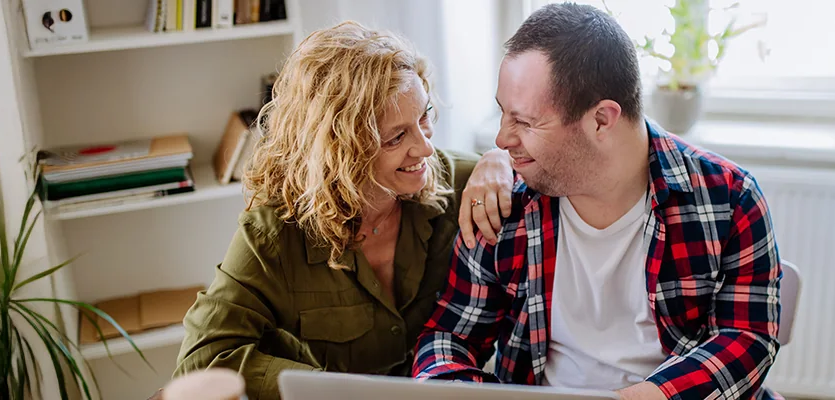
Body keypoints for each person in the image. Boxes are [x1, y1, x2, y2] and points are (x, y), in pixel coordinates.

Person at [413, 4, 784, 400]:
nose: (502, 139)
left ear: (601, 120)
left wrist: (656, 395)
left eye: (524, 121)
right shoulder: (504, 205)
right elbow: (449, 338)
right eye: (503, 114)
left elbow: (748, 337)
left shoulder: (729, 198)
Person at [173, 21, 517, 400]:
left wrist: (500, 157)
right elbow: (202, 358)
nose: (425, 148)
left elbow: (543, 172)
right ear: (341, 150)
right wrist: (327, 389)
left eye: (424, 116)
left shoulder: (458, 183)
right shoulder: (274, 233)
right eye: (396, 137)